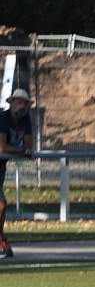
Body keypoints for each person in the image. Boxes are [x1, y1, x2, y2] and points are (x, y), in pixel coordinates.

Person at [0, 88, 34, 258]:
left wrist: (22, 149)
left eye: (25, 103)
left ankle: (1, 242)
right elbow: (2, 147)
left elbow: (29, 144)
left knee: (1, 206)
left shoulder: (25, 119)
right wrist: (21, 151)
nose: (22, 106)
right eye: (19, 102)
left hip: (1, 166)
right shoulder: (3, 118)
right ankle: (1, 242)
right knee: (1, 204)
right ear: (11, 103)